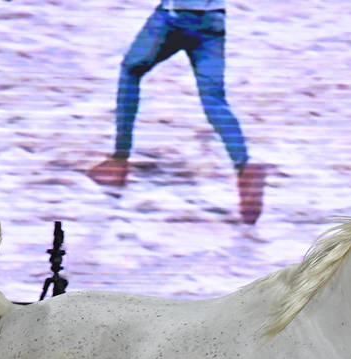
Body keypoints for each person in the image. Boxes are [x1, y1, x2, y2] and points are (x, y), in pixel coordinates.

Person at [87, 0, 266, 224]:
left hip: (175, 16)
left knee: (130, 71)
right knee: (213, 99)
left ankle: (119, 160)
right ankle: (244, 166)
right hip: (213, 19)